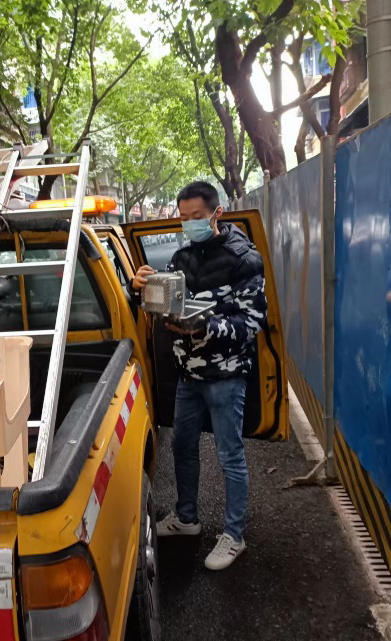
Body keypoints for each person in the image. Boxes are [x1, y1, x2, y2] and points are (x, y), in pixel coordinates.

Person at [129, 181, 267, 571]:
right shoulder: (181, 256)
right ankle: (187, 518)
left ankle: (234, 535)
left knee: (229, 454)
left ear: (216, 213)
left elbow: (252, 322)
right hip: (188, 373)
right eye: (184, 218)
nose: (190, 224)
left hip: (226, 375)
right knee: (182, 446)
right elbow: (165, 300)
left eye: (196, 217)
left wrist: (202, 329)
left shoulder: (244, 259)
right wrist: (139, 285)